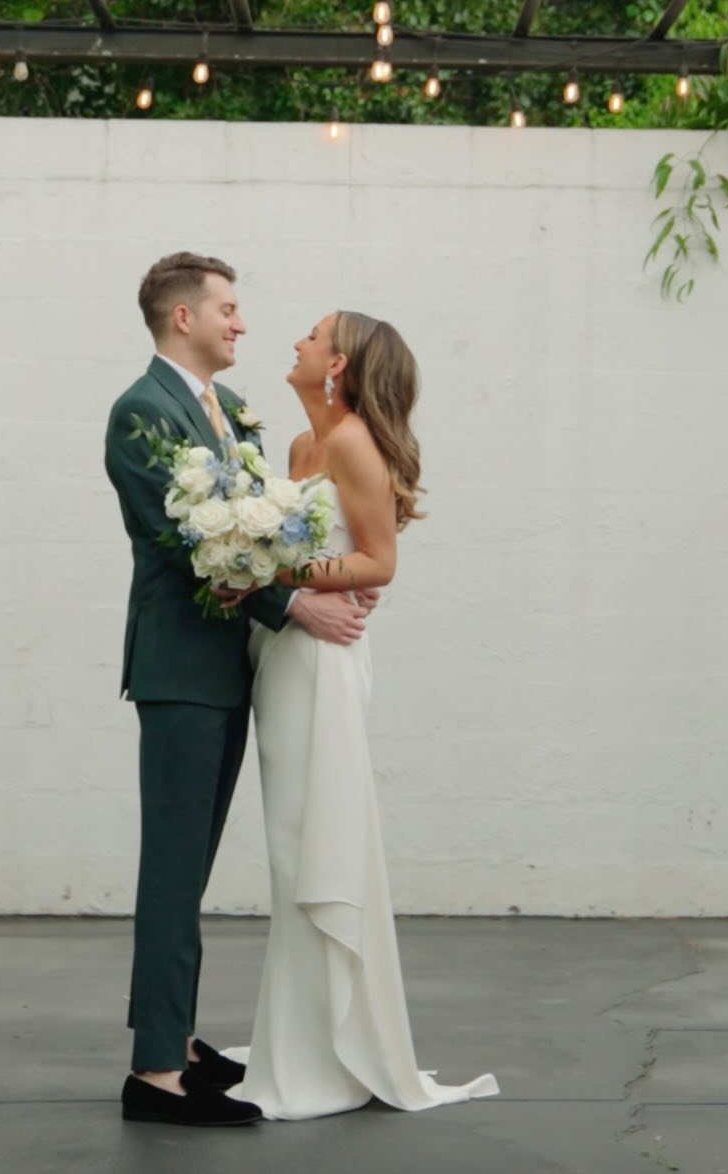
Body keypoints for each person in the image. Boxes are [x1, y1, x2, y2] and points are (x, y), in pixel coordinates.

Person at [104, 253, 369, 1128]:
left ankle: (176, 1040)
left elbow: (260, 533)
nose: (241, 324)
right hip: (181, 669)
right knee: (173, 869)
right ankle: (154, 1075)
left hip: (227, 666)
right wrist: (293, 606)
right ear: (184, 317)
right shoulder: (141, 411)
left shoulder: (229, 411)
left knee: (192, 867)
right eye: (227, 309)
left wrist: (327, 576)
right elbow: (186, 543)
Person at [232, 310, 500, 1120]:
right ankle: (305, 1036)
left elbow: (379, 559)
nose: (297, 343)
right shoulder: (299, 446)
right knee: (290, 847)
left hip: (323, 659)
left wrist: (272, 570)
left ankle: (328, 1056)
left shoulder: (351, 442)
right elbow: (333, 555)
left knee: (316, 838)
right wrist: (283, 575)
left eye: (312, 336)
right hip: (282, 654)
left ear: (340, 364)